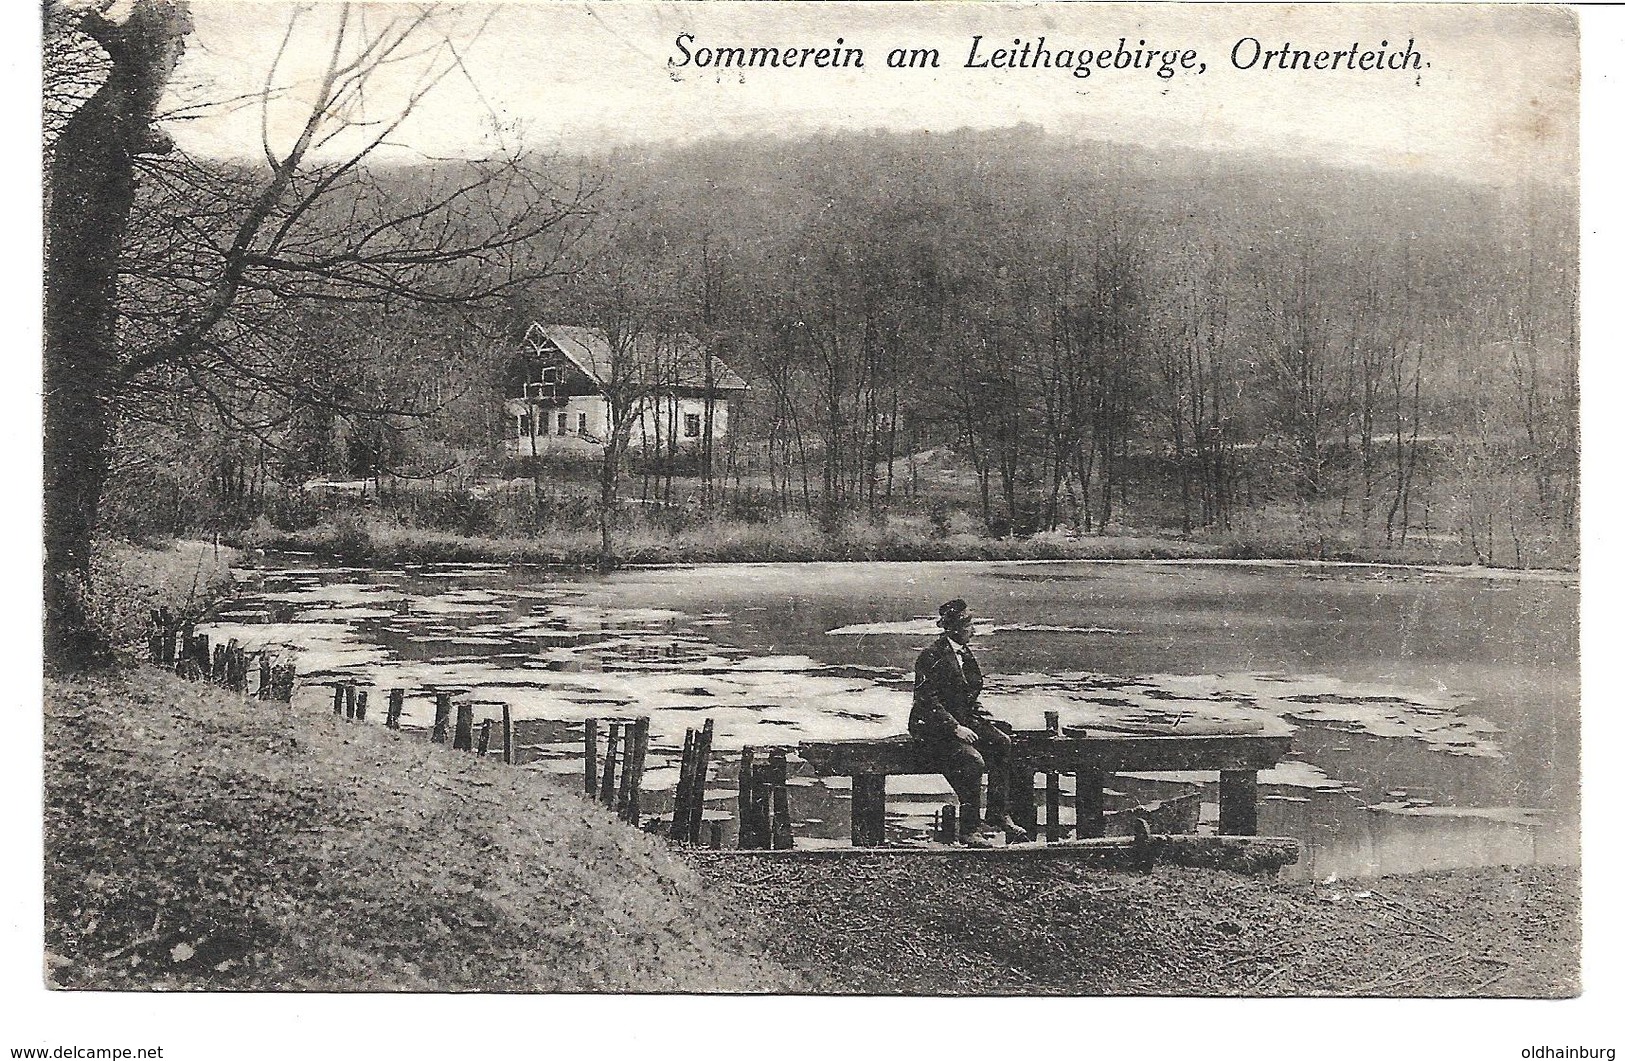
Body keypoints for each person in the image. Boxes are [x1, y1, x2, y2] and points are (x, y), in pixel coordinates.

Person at [908, 599, 1030, 847]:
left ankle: (997, 813)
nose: (973, 630)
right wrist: (955, 728)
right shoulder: (930, 656)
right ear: (954, 629)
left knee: (1001, 742)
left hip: (961, 720)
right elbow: (926, 701)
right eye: (969, 626)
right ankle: (969, 829)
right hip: (932, 727)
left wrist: (983, 716)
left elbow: (965, 695)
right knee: (972, 760)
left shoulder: (965, 653)